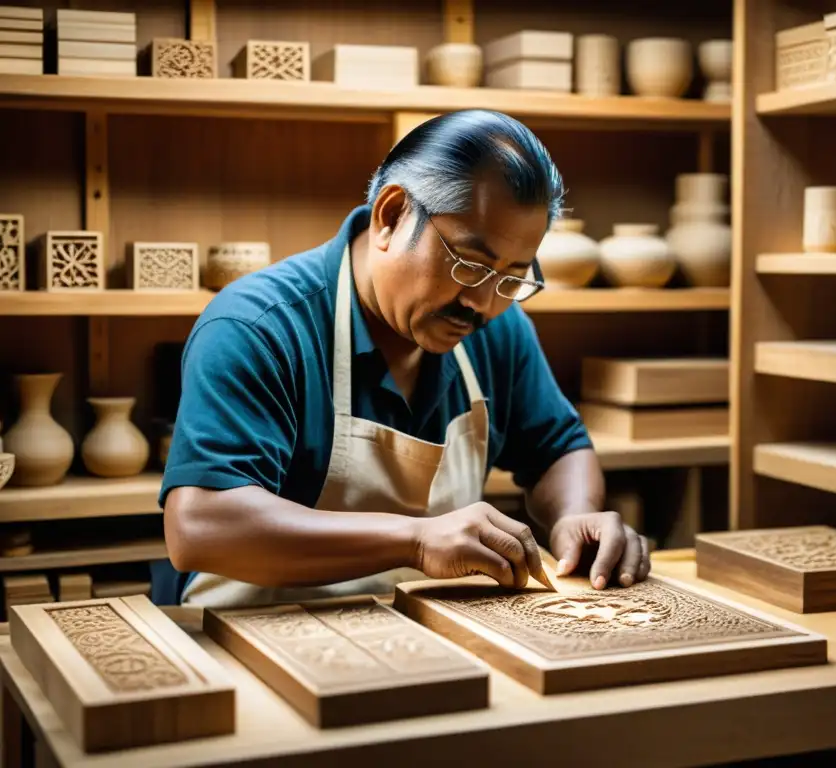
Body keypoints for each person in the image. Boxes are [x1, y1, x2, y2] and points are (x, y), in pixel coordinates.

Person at [154, 109, 651, 608]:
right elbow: (200, 525)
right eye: (470, 265)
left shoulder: (498, 328)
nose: (481, 303)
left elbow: (558, 448)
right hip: (255, 632)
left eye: (513, 277)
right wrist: (414, 540)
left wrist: (573, 515)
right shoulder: (259, 327)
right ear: (391, 216)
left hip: (426, 637)